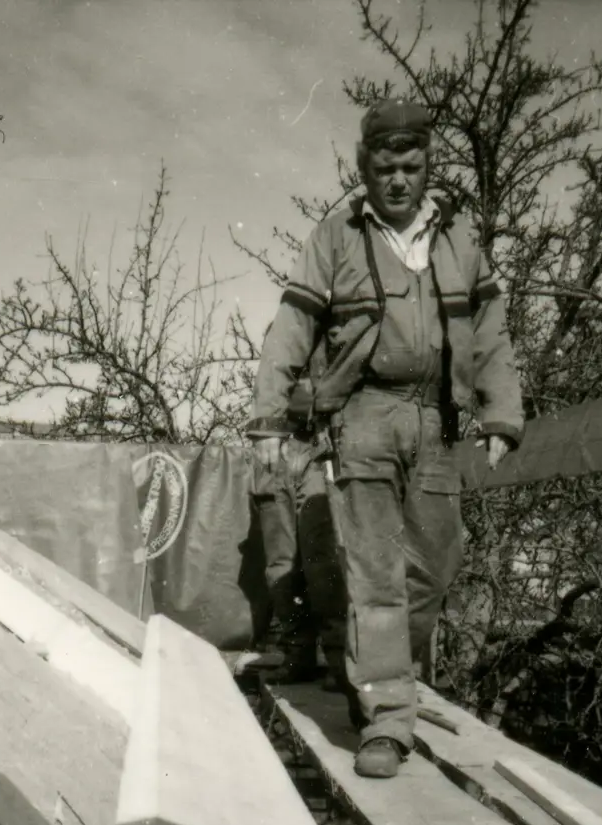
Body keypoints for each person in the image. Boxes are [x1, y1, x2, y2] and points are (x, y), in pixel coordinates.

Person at [248, 98, 524, 778]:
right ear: (363, 167)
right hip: (365, 415)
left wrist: (501, 417)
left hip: (437, 418)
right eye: (384, 167)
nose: (398, 180)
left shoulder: (458, 235)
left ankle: (373, 669)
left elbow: (489, 332)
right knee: (375, 572)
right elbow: (291, 327)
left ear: (429, 164)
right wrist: (268, 416)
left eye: (411, 165)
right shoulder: (337, 234)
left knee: (432, 565)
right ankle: (388, 719)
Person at [250, 338, 348, 688]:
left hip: (317, 452)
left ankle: (341, 663)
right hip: (275, 452)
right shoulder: (280, 338)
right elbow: (270, 391)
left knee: (323, 563)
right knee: (281, 566)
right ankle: (297, 656)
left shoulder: (334, 339)